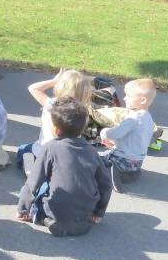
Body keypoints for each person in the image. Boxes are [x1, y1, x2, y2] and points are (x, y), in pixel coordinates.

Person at [17, 97, 112, 237]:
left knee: (43, 191)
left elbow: (33, 182)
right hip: (85, 209)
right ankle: (77, 221)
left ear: (56, 130)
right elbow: (106, 184)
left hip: (55, 208)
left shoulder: (51, 148)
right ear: (83, 127)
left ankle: (43, 218)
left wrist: (22, 209)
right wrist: (98, 212)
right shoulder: (92, 151)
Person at [17, 69, 91, 176]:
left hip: (43, 153)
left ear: (61, 87)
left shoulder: (51, 104)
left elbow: (33, 88)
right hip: (67, 156)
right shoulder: (83, 112)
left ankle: (33, 168)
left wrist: (54, 81)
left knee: (24, 149)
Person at [99, 78, 156, 192]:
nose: (125, 98)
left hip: (122, 159)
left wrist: (104, 132)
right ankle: (130, 174)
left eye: (128, 96)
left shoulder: (133, 118)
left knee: (94, 159)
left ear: (142, 100)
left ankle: (113, 174)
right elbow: (135, 140)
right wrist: (116, 144)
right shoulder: (148, 118)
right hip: (136, 162)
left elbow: (114, 133)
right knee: (106, 153)